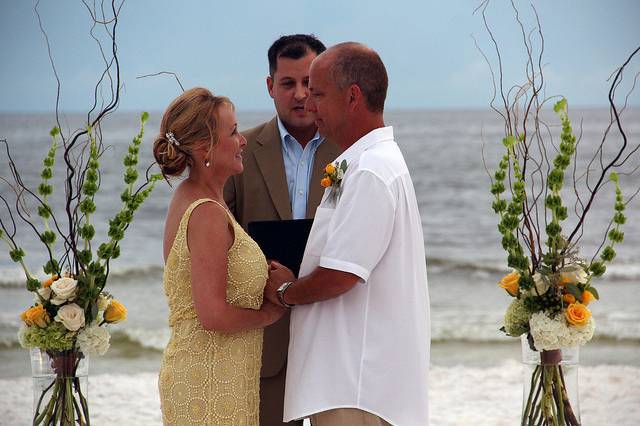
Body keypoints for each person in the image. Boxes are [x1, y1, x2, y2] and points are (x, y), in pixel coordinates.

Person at [265, 43, 431, 425]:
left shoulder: (370, 170)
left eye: (319, 93)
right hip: (352, 381)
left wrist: (286, 292)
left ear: (353, 96)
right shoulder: (369, 163)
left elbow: (343, 274)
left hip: (356, 385)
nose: (309, 103)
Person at [223, 34, 341, 426]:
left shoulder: (350, 151)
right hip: (266, 342)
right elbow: (219, 237)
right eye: (288, 83)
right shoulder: (240, 148)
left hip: (335, 335)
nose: (301, 94)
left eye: (310, 83)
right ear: (270, 86)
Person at [155, 87, 286, 425]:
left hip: (216, 373)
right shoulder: (206, 213)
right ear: (204, 149)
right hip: (209, 380)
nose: (242, 141)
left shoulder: (189, 197)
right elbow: (213, 314)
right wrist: (271, 313)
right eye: (233, 132)